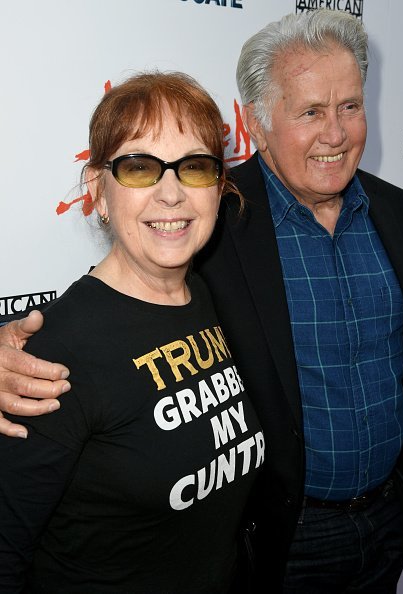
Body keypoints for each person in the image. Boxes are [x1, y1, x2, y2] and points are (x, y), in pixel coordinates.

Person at [0, 9, 403, 594]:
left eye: (349, 106)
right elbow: (122, 291)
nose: (336, 132)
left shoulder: (396, 210)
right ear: (257, 123)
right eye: (310, 112)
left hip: (390, 514)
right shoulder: (219, 217)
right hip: (285, 538)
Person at [0, 71, 264, 593]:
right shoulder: (52, 355)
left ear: (219, 187)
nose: (171, 194)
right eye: (140, 167)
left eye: (194, 167)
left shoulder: (210, 298)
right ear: (98, 192)